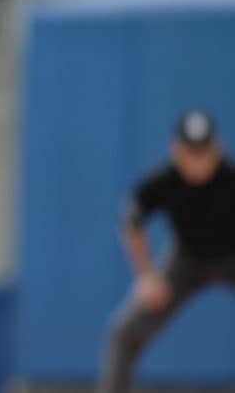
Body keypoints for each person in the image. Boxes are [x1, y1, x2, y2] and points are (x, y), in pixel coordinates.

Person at [98, 109, 235, 393]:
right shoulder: (163, 182)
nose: (197, 161)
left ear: (217, 149)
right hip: (186, 261)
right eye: (190, 152)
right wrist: (146, 276)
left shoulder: (230, 178)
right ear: (176, 150)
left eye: (203, 152)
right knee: (124, 332)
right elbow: (131, 221)